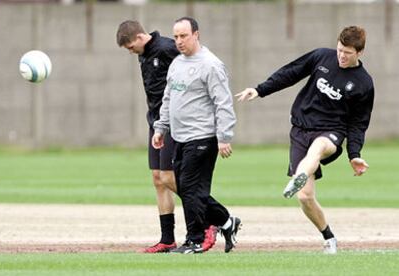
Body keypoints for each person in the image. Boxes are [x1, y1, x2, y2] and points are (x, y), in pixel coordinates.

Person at [236, 26, 374, 254]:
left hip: (332, 131)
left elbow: (358, 124)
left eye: (347, 53)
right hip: (301, 130)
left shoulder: (363, 83)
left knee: (318, 148)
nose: (341, 55)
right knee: (305, 197)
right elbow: (291, 72)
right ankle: (329, 237)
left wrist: (354, 154)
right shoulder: (321, 56)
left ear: (359, 52)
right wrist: (260, 90)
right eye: (339, 49)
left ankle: (300, 175)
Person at [116, 20, 218, 253]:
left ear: (141, 37)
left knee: (169, 178)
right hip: (156, 122)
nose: (131, 52)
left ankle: (213, 219)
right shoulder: (143, 55)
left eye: (131, 47)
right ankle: (167, 238)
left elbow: (198, 60)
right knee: (157, 178)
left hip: (175, 122)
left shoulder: (166, 47)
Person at [152, 17, 241, 254]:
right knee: (187, 188)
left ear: (196, 35)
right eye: (176, 36)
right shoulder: (177, 64)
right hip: (179, 137)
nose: (179, 41)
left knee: (191, 189)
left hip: (202, 137)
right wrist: (160, 128)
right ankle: (226, 221)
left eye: (184, 36)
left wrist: (224, 136)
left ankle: (195, 239)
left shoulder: (211, 65)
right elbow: (168, 98)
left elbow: (223, 102)